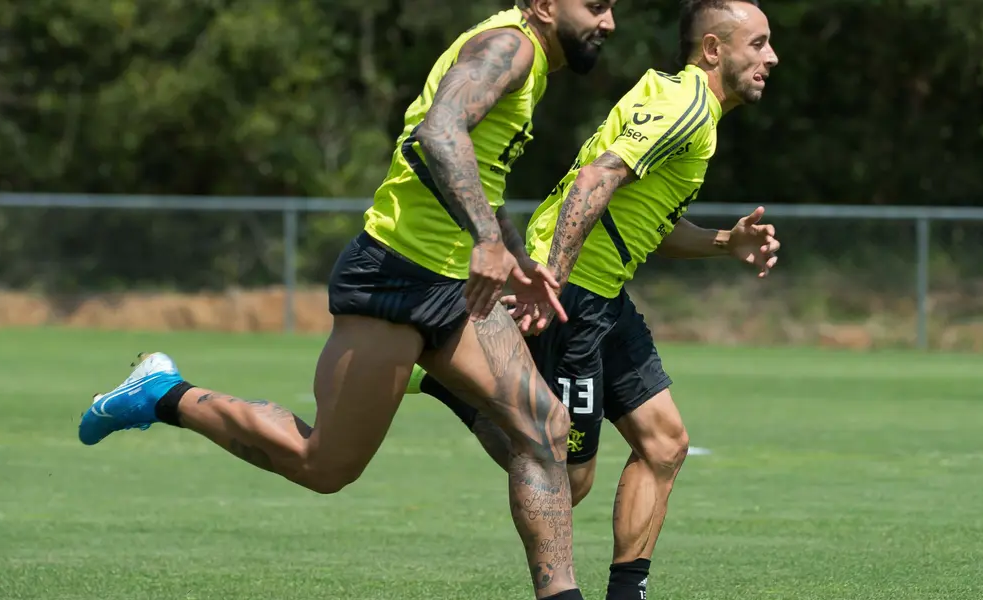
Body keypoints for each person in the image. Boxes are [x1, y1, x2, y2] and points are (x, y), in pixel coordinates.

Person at [76, 2, 618, 599]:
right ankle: (162, 394)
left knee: (544, 430)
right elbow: (437, 135)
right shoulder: (507, 47)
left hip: (452, 290)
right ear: (544, 4)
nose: (609, 22)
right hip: (395, 278)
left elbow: (480, 172)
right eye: (596, 4)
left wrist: (510, 254)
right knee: (324, 466)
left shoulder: (529, 62)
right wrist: (488, 240)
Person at [408, 1, 780, 598]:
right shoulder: (683, 107)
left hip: (604, 293)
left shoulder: (696, 115)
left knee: (664, 443)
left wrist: (724, 243)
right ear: (713, 50)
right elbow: (593, 181)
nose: (771, 58)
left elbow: (648, 224)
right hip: (576, 292)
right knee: (567, 478)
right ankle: (452, 382)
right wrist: (552, 281)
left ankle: (625, 593)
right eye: (758, 44)